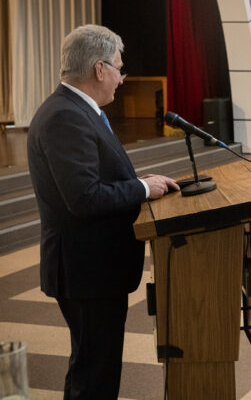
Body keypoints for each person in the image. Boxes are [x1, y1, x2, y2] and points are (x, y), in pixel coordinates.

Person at [27, 25, 179, 399]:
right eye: (119, 68)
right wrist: (143, 188)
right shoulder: (65, 116)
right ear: (99, 69)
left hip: (95, 269)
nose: (121, 79)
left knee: (99, 367)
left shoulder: (78, 109)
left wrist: (138, 183)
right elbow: (84, 198)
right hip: (85, 271)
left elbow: (93, 181)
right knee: (93, 374)